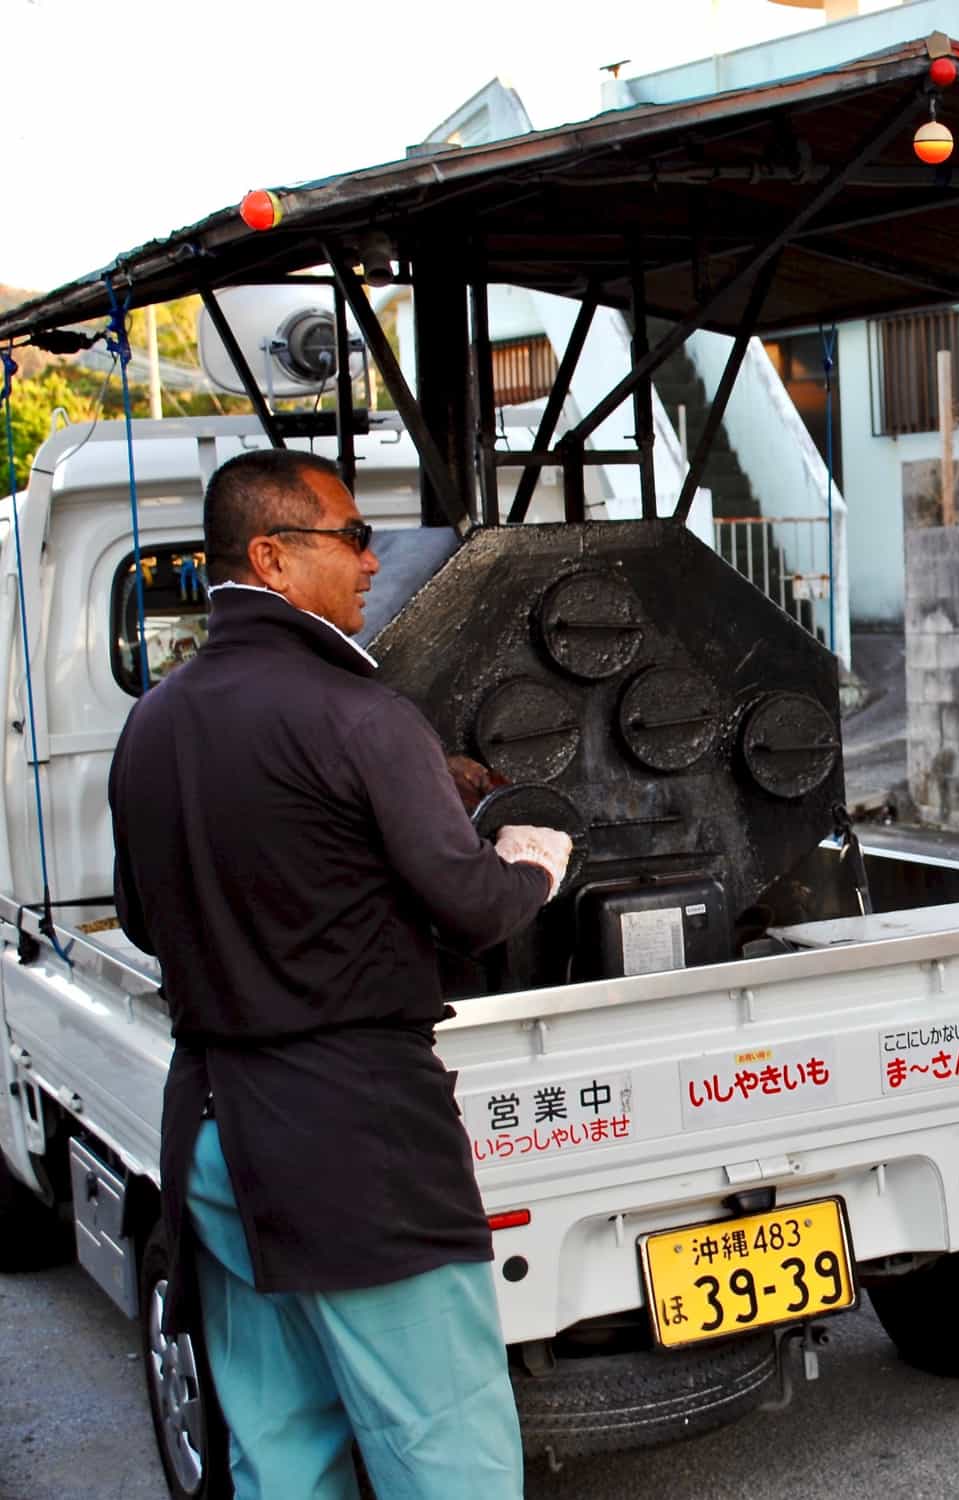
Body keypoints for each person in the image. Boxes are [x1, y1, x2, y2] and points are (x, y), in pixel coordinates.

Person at [108, 449, 572, 1500]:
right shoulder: (359, 717)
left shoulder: (151, 724)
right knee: (446, 1454)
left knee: (281, 1453)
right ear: (272, 556)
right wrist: (534, 860)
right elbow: (470, 908)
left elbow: (143, 918)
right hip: (358, 1147)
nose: (373, 559)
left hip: (219, 1137)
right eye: (352, 536)